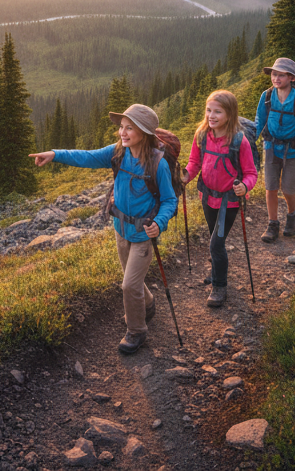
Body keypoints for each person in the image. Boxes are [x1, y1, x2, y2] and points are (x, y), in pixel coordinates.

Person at [30, 103, 176, 354]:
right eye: (122, 127)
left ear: (144, 131)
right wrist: (55, 154)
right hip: (120, 228)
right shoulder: (118, 152)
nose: (123, 132)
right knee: (133, 281)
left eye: (130, 128)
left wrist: (159, 224)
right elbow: (86, 156)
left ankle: (137, 332)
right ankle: (147, 305)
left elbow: (169, 201)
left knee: (129, 285)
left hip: (143, 233)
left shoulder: (157, 163)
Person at [181, 90, 257, 307]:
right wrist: (184, 177)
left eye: (217, 112)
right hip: (207, 196)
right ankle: (216, 270)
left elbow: (251, 173)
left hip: (230, 201)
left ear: (230, 114)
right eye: (208, 110)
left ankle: (219, 286)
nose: (211, 116)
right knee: (214, 236)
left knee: (216, 243)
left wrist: (245, 186)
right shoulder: (201, 135)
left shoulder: (238, 141)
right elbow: (194, 163)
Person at [254, 58, 295, 240]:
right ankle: (272, 224)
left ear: (291, 78)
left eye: (281, 75)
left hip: (293, 150)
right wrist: (251, 139)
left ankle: (292, 215)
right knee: (271, 187)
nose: (276, 78)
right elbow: (259, 121)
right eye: (274, 74)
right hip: (271, 147)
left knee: (289, 189)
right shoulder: (266, 96)